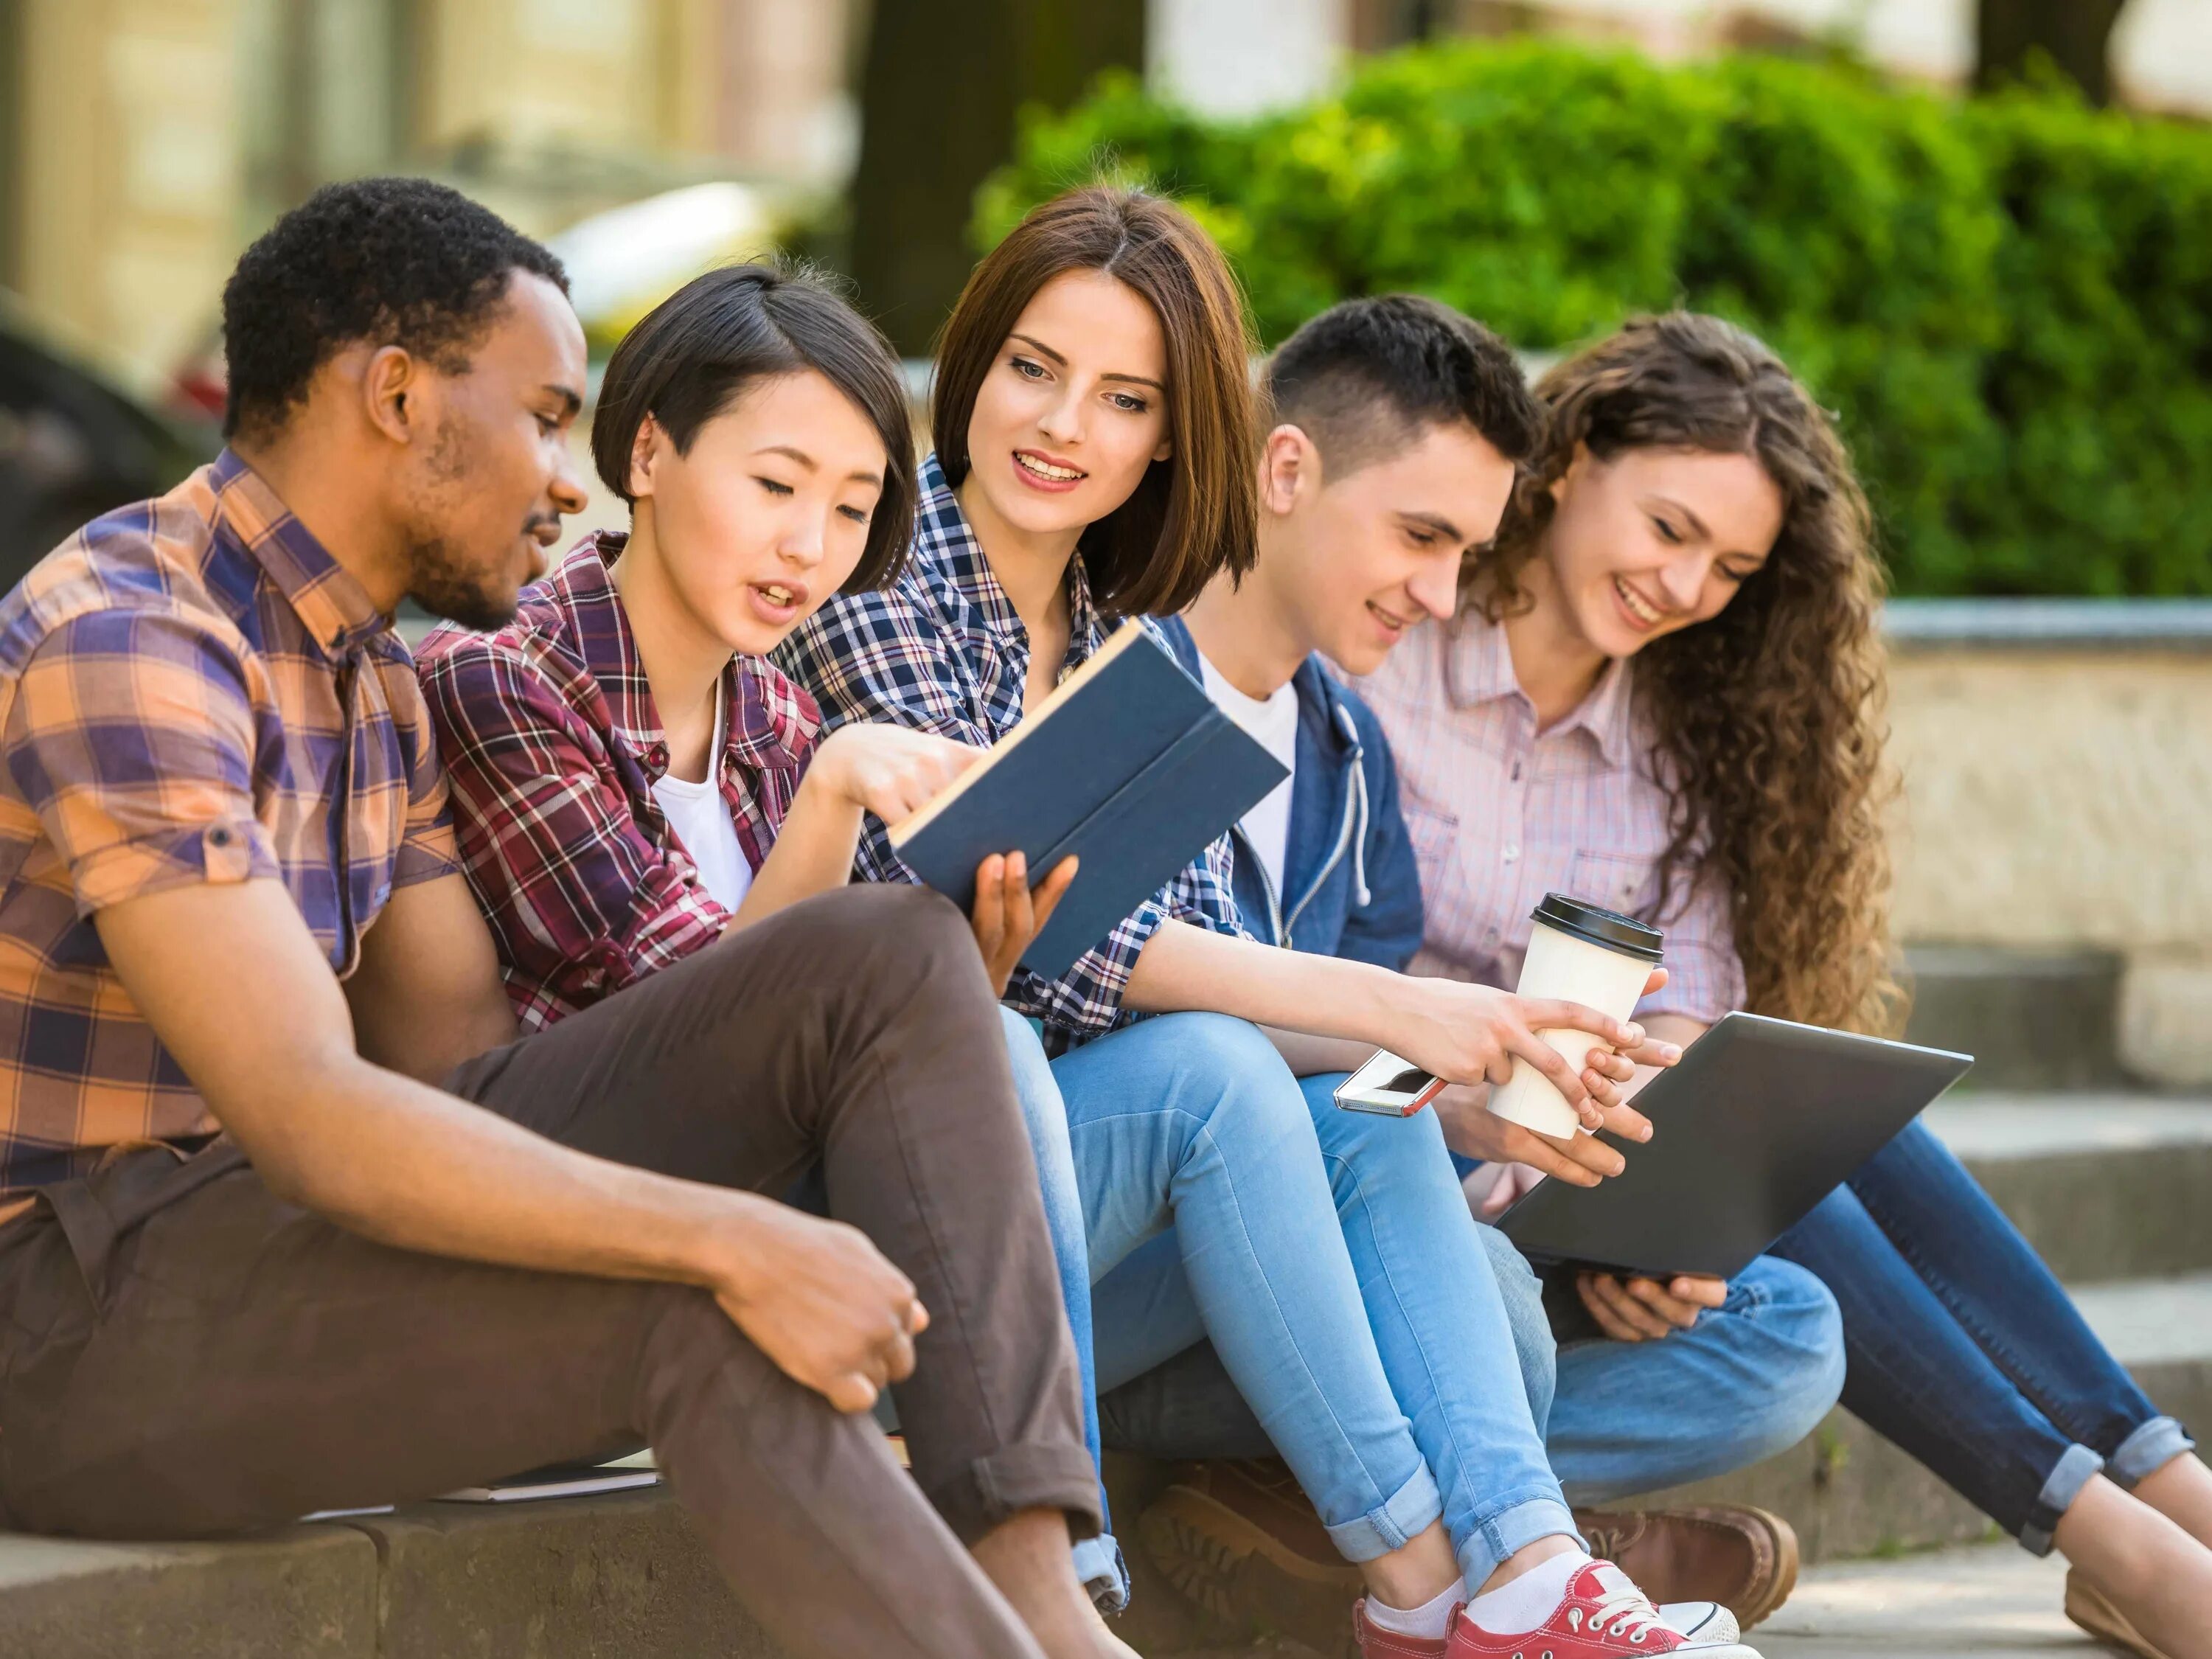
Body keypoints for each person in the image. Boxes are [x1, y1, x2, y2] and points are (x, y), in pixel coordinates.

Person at [0, 178, 1121, 1659]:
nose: (563, 476)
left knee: (888, 954)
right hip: (71, 1319)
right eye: (542, 416)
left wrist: (846, 1058)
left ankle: (1046, 1603)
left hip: (270, 1258)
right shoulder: (137, 644)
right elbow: (310, 1111)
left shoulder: (372, 673)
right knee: (701, 1312)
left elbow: (474, 1069)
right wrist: (729, 1238)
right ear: (395, 397)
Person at [780, 186, 1763, 1659]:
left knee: (1365, 1124)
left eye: (1123, 399)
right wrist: (1397, 1010)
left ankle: (1490, 1582)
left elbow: (1174, 959)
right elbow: (1057, 934)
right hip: (900, 1175)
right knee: (1259, 1093)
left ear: (1176, 433)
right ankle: (1194, 1575)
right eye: (1035, 369)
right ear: (971, 362)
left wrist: (1463, 1070)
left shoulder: (1125, 630)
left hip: (1075, 1174)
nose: (1063, 426)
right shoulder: (882, 574)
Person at [1353, 312, 2212, 1659]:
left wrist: (1666, 1212)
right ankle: (2120, 1539)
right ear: (1571, 458)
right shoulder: (1387, 652)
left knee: (1807, 1229)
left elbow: (1687, 1023)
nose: (1687, 585)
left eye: (1732, 567)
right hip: (1407, 1187)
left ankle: (2166, 1493)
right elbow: (1338, 979)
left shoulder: (1678, 745)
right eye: (1671, 529)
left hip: (1573, 1185)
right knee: (1796, 1273)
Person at [1071, 294, 1840, 1632]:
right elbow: (1095, 1003)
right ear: (1289, 467)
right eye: (1423, 539)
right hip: (1083, 1244)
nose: (1441, 595)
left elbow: (1351, 1099)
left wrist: (1470, 1105)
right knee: (1459, 1289)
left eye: (1463, 551)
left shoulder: (1345, 762)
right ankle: (1478, 1574)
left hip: (1264, 1240)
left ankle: (1502, 1567)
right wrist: (1423, 1026)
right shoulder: (1116, 663)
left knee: (1694, 1319)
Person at [413, 260, 1135, 1618]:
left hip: (784, 1205)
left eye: (855, 509)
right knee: (998, 1059)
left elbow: (841, 1030)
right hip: (585, 1228)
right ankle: (1046, 1590)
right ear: (648, 452)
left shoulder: (773, 720)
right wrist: (831, 816)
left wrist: (965, 966)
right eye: (778, 485)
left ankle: (1057, 1573)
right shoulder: (502, 681)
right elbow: (694, 1031)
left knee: (1140, 1070)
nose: (812, 545)